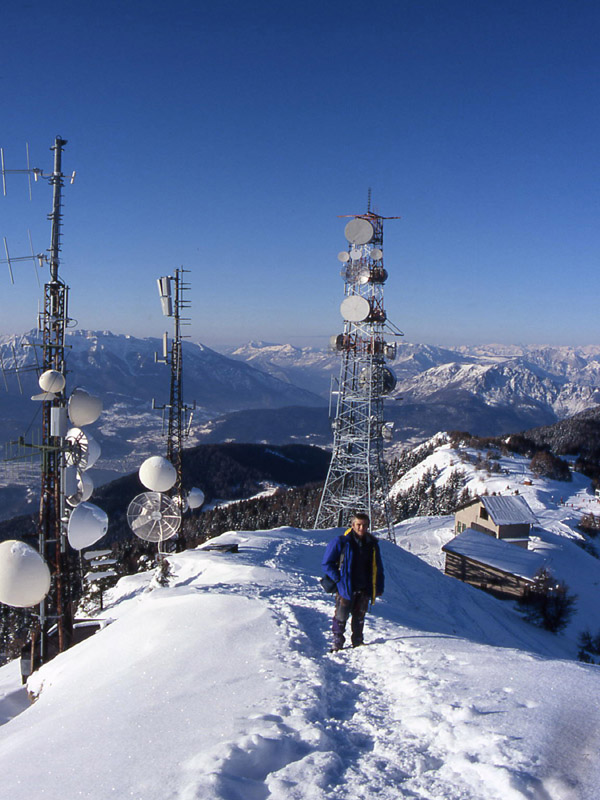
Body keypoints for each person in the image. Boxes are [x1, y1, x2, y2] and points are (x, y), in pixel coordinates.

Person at [321, 512, 385, 651]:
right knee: (341, 615)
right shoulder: (341, 542)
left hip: (364, 586)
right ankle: (337, 641)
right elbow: (327, 563)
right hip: (346, 586)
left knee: (359, 616)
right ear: (352, 525)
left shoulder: (372, 544)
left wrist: (378, 586)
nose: (361, 528)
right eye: (358, 525)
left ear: (368, 526)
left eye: (364, 525)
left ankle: (357, 641)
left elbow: (378, 568)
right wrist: (338, 579)